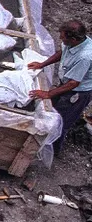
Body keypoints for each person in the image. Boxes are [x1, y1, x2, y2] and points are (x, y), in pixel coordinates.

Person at [28, 20, 92, 155]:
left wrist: (48, 93)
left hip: (78, 92)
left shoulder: (84, 56)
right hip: (67, 83)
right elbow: (61, 52)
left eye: (63, 37)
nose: (60, 39)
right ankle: (44, 142)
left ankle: (53, 150)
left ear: (73, 39)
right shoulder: (74, 44)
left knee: (61, 122)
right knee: (53, 111)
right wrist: (42, 64)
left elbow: (74, 83)